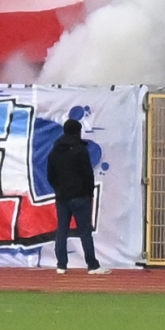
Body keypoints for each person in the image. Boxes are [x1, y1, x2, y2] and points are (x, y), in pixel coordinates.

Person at [46, 118, 110, 275]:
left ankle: (61, 265)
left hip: (62, 197)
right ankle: (92, 265)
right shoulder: (80, 150)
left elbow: (50, 175)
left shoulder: (55, 151)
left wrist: (58, 189)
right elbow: (88, 174)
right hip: (80, 196)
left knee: (62, 230)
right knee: (84, 231)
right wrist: (89, 192)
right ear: (77, 132)